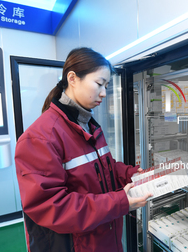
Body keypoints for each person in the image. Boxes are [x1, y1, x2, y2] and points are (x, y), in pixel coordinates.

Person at [15, 47, 152, 252]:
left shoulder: (89, 125)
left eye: (106, 86)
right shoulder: (41, 137)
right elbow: (52, 206)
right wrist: (119, 202)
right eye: (99, 84)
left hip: (105, 238)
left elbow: (105, 167)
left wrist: (134, 175)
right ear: (72, 78)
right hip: (78, 245)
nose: (104, 93)